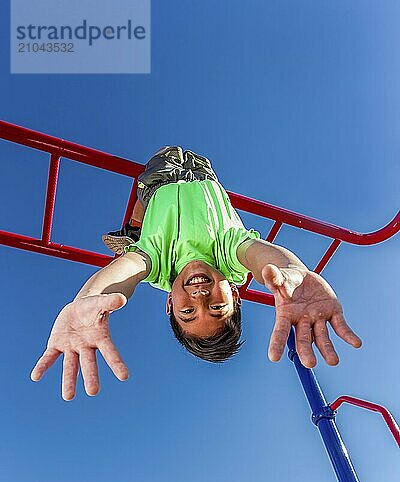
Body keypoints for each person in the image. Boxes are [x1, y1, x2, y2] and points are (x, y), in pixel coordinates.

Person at [30, 147, 362, 401]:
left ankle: (133, 231)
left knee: (164, 158)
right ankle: (133, 233)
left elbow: (123, 275)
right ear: (234, 291)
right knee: (195, 157)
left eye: (188, 312)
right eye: (217, 308)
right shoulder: (231, 255)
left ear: (169, 305)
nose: (200, 299)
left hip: (160, 185)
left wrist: (87, 299)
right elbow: (263, 257)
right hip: (205, 179)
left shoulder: (156, 265)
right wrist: (294, 271)